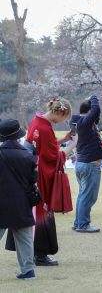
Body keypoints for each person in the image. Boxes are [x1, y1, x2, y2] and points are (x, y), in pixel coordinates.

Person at [24, 97, 77, 266]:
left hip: (31, 173)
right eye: (64, 118)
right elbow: (54, 156)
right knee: (42, 211)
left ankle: (31, 251)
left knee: (34, 212)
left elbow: (47, 146)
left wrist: (64, 140)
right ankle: (40, 254)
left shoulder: (37, 122)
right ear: (60, 112)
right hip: (40, 175)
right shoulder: (45, 128)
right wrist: (74, 144)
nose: (63, 121)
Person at [0, 119, 38, 279]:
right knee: (25, 239)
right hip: (21, 203)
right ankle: (28, 270)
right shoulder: (27, 155)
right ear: (18, 135)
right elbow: (33, 180)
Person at [71, 95, 102, 232]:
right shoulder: (85, 122)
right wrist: (94, 98)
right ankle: (83, 225)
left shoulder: (77, 122)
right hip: (90, 165)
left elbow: (96, 114)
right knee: (88, 196)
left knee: (82, 195)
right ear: (89, 111)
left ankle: (78, 223)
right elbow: (96, 109)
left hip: (82, 164)